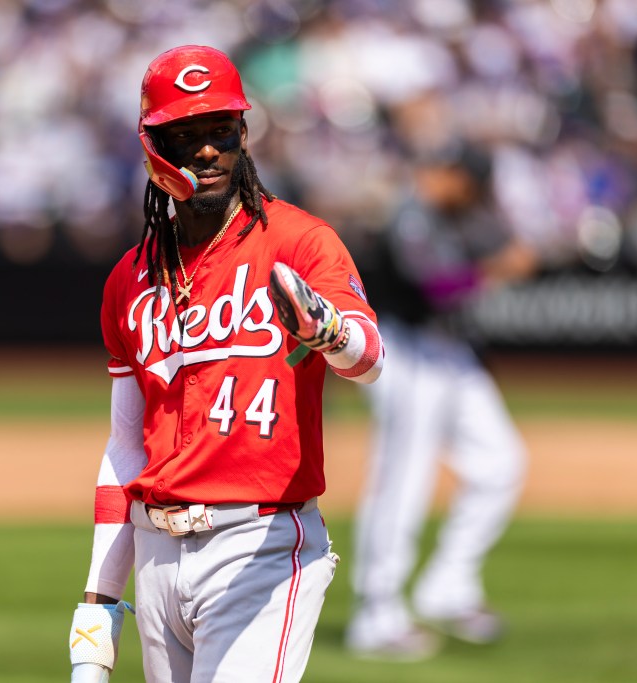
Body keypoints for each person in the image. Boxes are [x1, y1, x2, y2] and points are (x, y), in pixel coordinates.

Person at [68, 45, 385, 683]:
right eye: (184, 136)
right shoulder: (129, 281)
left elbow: (369, 358)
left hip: (261, 543)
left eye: (220, 131)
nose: (206, 151)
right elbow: (126, 449)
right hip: (156, 553)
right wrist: (99, 603)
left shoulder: (299, 241)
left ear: (244, 134)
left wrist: (325, 331)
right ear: (153, 147)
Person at [345, 145, 534, 660]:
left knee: (501, 464)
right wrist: (496, 269)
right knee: (402, 480)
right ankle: (375, 613)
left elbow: (512, 245)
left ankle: (448, 584)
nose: (474, 196)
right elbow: (434, 286)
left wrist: (503, 255)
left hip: (453, 355)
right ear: (451, 175)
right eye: (469, 184)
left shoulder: (462, 212)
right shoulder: (411, 213)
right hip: (406, 352)